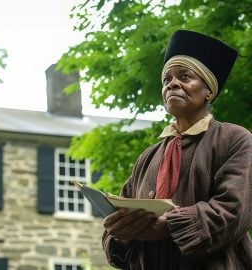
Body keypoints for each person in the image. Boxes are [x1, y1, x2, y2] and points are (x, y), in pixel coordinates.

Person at [102, 29, 252, 269]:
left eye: (184, 76)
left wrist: (169, 226)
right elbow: (122, 215)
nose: (172, 83)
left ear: (209, 91)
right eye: (166, 80)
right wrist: (120, 234)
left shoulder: (234, 140)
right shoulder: (148, 158)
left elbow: (233, 210)